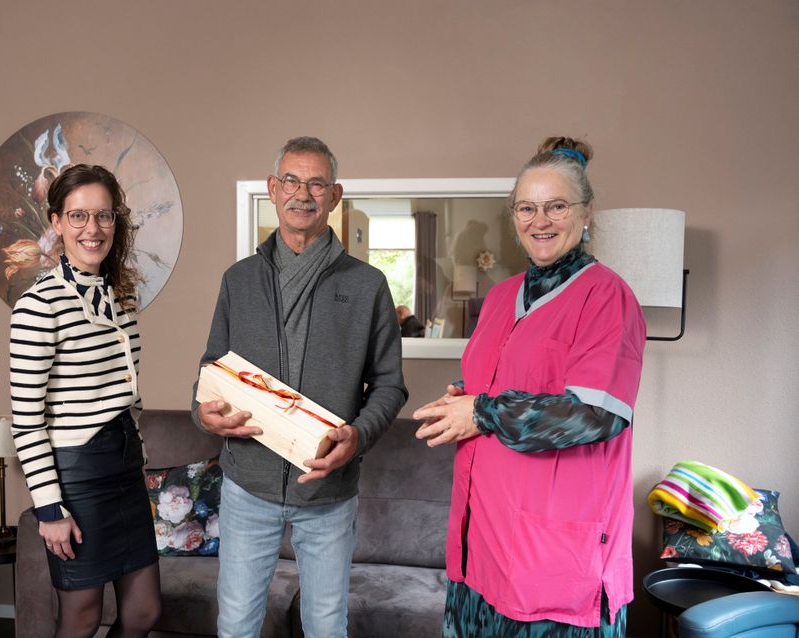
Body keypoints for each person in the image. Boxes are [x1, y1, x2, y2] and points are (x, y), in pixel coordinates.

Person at [413, 137, 646, 637]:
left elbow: (595, 414)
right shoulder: (499, 298)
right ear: (514, 217)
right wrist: (463, 397)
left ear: (586, 215)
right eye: (527, 208)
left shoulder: (608, 296)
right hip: (483, 542)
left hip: (553, 554)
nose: (540, 221)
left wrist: (483, 411)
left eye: (556, 206)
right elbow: (501, 381)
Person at [192, 136, 408, 637]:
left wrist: (357, 437)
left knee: (327, 626)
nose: (302, 193)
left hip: (328, 489)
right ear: (272, 188)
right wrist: (202, 413)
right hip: (249, 485)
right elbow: (210, 369)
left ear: (334, 195)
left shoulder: (367, 284)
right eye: (291, 180)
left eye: (316, 183)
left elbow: (391, 386)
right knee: (237, 625)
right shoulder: (239, 280)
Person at [10, 164, 160, 638]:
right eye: (77, 216)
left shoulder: (119, 296)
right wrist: (49, 510)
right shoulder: (39, 306)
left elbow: (126, 393)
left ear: (116, 221)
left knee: (143, 612)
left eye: (102, 215)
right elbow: (27, 422)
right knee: (82, 618)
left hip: (123, 467)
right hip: (78, 475)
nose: (92, 229)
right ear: (56, 222)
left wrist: (137, 456)